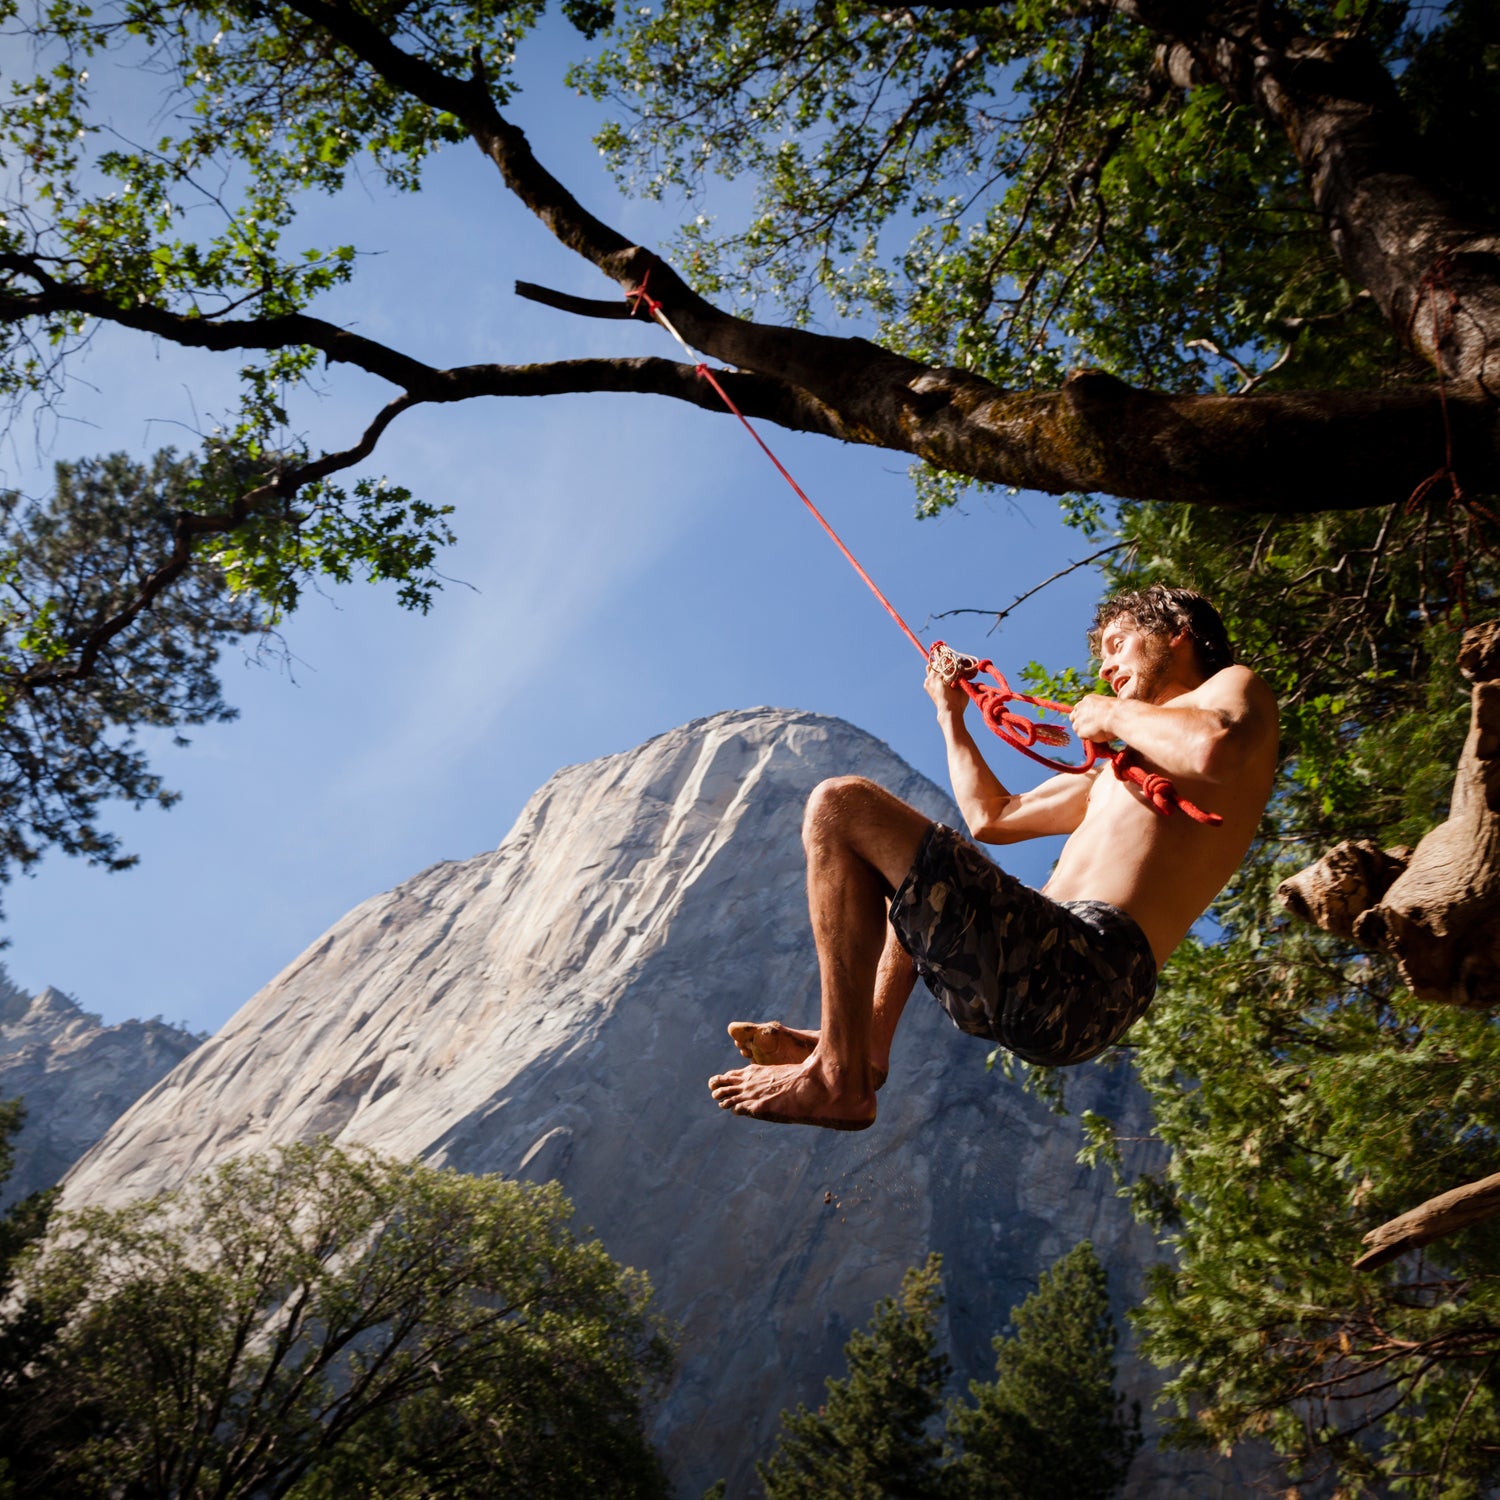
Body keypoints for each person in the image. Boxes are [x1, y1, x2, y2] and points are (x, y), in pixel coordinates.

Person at [708, 585, 1279, 1130]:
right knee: (895, 871)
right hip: (1043, 977)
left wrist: (1111, 715)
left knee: (840, 804)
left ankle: (838, 1074)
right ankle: (865, 1051)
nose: (1104, 668)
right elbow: (994, 816)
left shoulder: (1231, 689)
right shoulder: (1118, 772)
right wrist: (949, 716)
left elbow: (1214, 747)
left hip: (1088, 969)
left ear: (1177, 633)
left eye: (1117, 643)